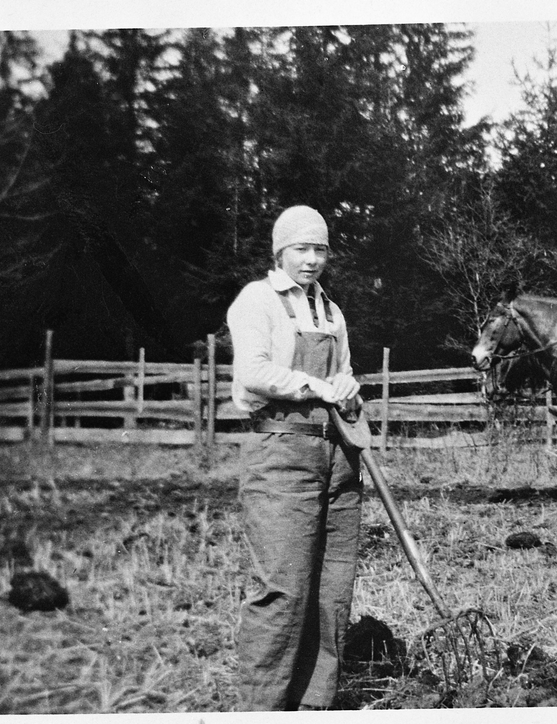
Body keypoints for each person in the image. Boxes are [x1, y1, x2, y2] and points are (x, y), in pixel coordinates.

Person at [227, 204, 363, 710]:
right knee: (283, 588)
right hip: (281, 450)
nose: (311, 260)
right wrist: (320, 387)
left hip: (337, 453)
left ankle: (314, 705)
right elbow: (255, 373)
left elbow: (345, 374)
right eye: (300, 249)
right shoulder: (257, 300)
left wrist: (346, 387)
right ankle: (262, 709)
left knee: (332, 589)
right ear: (280, 251)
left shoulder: (332, 311)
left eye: (320, 250)